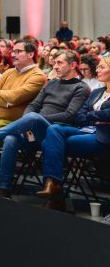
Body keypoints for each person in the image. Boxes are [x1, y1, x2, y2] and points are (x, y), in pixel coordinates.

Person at [0, 51, 89, 197]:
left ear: (73, 65)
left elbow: (69, 115)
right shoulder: (52, 83)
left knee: (33, 118)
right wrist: (28, 120)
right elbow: (34, 104)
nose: (55, 66)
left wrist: (36, 118)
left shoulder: (81, 87)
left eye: (59, 63)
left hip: (57, 132)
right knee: (11, 139)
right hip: (36, 129)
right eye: (54, 63)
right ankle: (4, 188)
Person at [36, 55, 110, 209]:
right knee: (54, 129)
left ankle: (54, 193)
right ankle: (52, 188)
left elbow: (105, 114)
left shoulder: (89, 89)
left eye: (101, 67)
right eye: (98, 67)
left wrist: (93, 116)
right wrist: (96, 118)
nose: (97, 70)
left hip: (103, 135)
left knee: (48, 142)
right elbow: (79, 116)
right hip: (85, 130)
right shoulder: (97, 92)